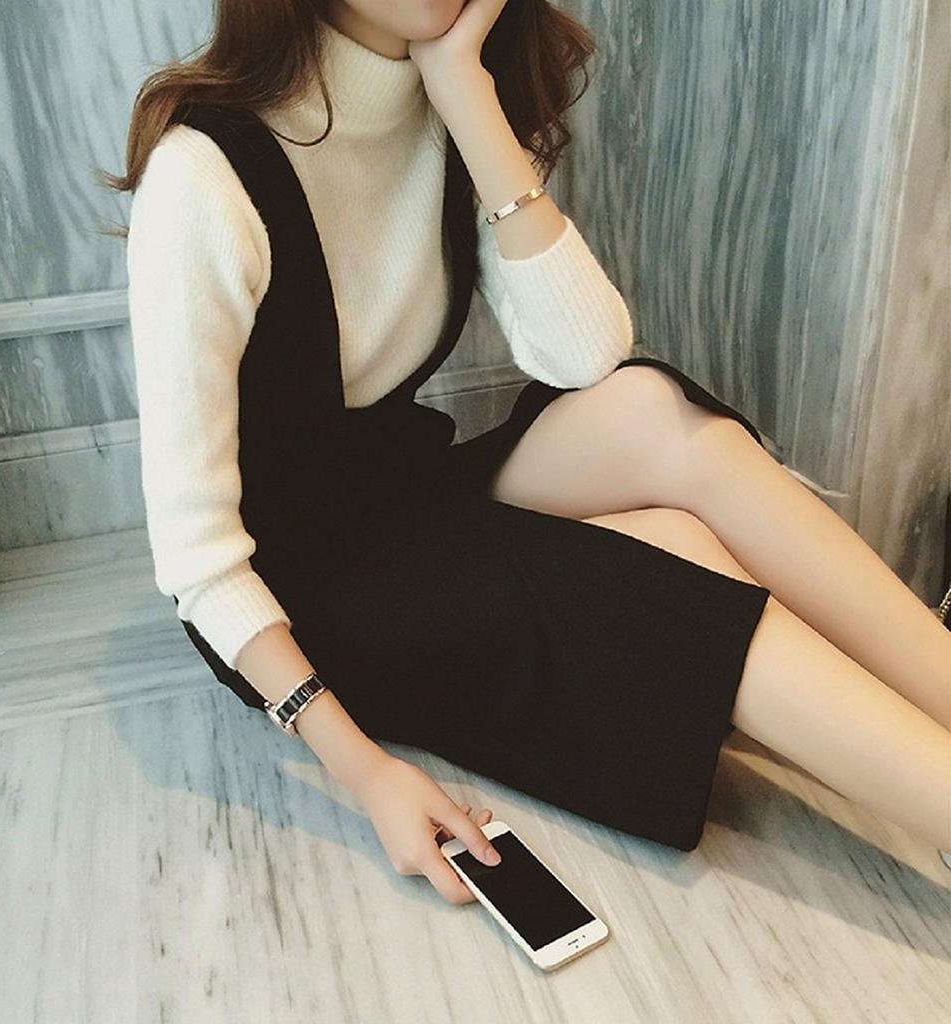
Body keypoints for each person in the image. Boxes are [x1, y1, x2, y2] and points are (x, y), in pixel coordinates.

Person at [103, 0, 951, 905]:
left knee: (644, 408)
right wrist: (366, 771)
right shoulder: (202, 173)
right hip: (293, 592)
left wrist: (467, 97)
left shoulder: (443, 105)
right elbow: (197, 562)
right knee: (666, 568)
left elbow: (583, 355)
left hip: (401, 489)